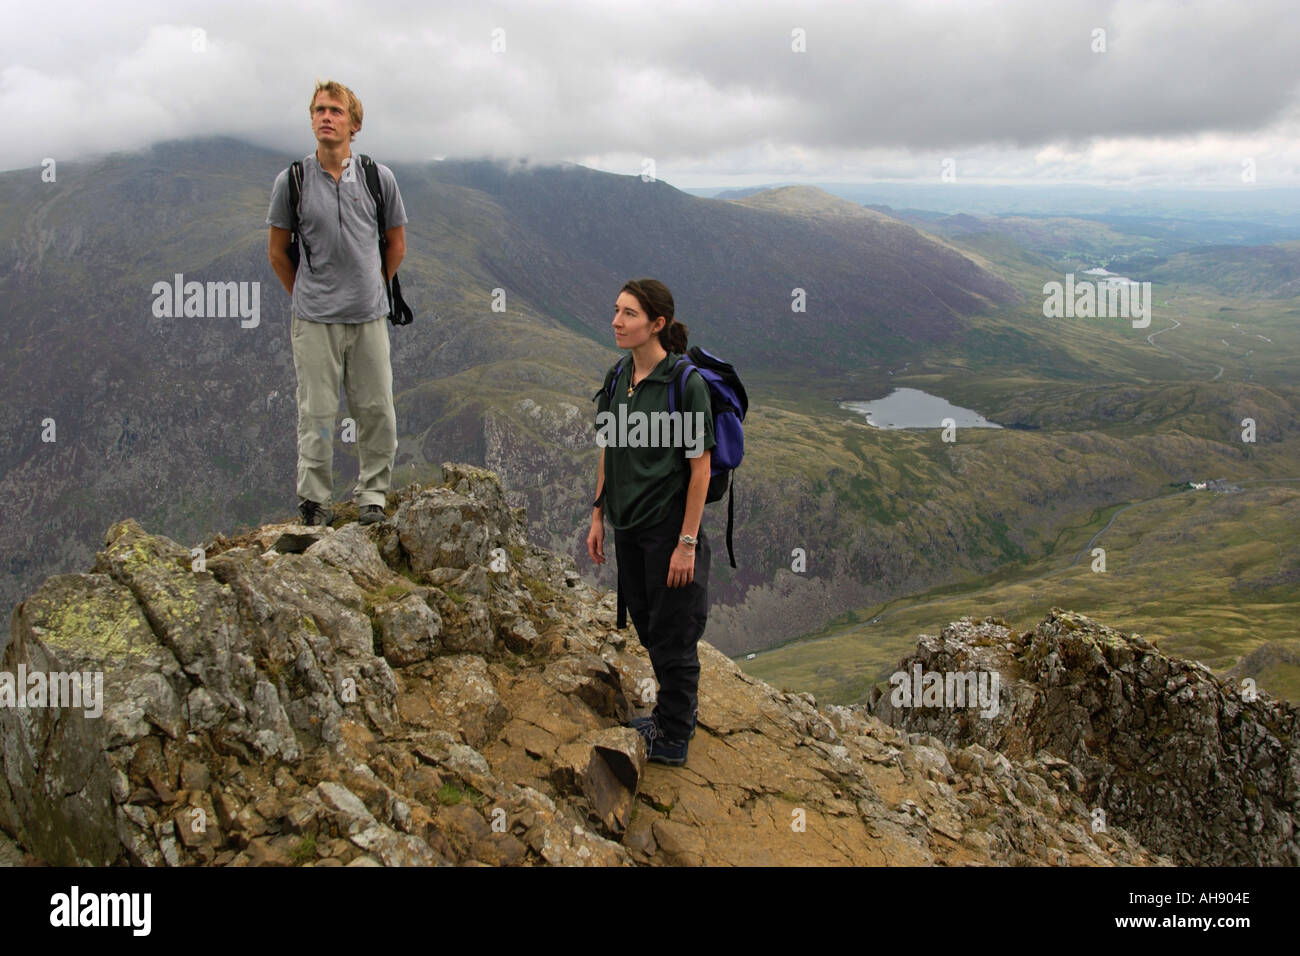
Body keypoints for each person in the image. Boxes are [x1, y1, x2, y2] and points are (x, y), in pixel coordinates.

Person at [265, 80, 407, 527]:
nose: (326, 117)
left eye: (336, 111)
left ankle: (373, 496)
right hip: (315, 321)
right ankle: (314, 502)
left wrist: (371, 287)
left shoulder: (377, 178)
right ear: (312, 120)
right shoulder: (292, 181)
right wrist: (309, 296)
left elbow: (397, 244)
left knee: (377, 409)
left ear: (355, 124)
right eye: (319, 110)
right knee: (316, 411)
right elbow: (277, 251)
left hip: (368, 316)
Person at [587, 279, 714, 766]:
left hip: (667, 527)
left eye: (630, 314)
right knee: (646, 621)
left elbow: (700, 468)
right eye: (616, 310)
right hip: (628, 526)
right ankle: (668, 717)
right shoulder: (619, 377)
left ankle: (675, 735)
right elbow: (609, 448)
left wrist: (686, 543)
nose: (617, 322)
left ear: (656, 324)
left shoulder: (685, 384)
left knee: (673, 629)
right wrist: (599, 514)